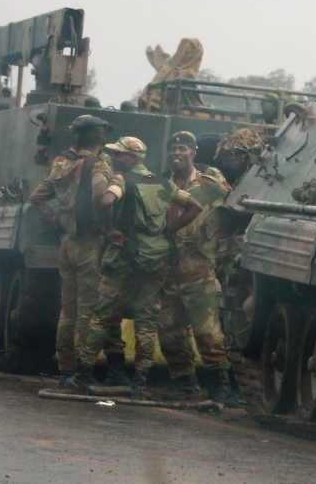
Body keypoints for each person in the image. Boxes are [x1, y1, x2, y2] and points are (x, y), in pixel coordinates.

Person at [66, 136, 202, 399]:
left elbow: (107, 201)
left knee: (102, 316)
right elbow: (194, 206)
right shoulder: (163, 183)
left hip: (124, 259)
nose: (115, 159)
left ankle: (82, 375)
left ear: (133, 158)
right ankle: (139, 384)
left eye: (119, 155)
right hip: (157, 258)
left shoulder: (122, 180)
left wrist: (109, 230)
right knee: (147, 321)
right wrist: (168, 230)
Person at [28, 115, 130, 388]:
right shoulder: (98, 164)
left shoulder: (62, 162)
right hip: (88, 243)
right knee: (88, 310)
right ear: (102, 139)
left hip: (67, 242)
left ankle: (65, 368)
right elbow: (100, 195)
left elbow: (37, 197)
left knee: (68, 311)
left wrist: (58, 217)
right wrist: (108, 229)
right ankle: (80, 372)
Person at [157, 132, 243, 405]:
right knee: (169, 328)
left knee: (207, 330)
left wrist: (224, 249)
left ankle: (220, 386)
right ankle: (183, 382)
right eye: (172, 149)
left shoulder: (210, 182)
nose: (176, 154)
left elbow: (234, 209)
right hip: (168, 265)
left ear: (193, 152)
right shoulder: (162, 185)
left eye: (182, 149)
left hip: (199, 263)